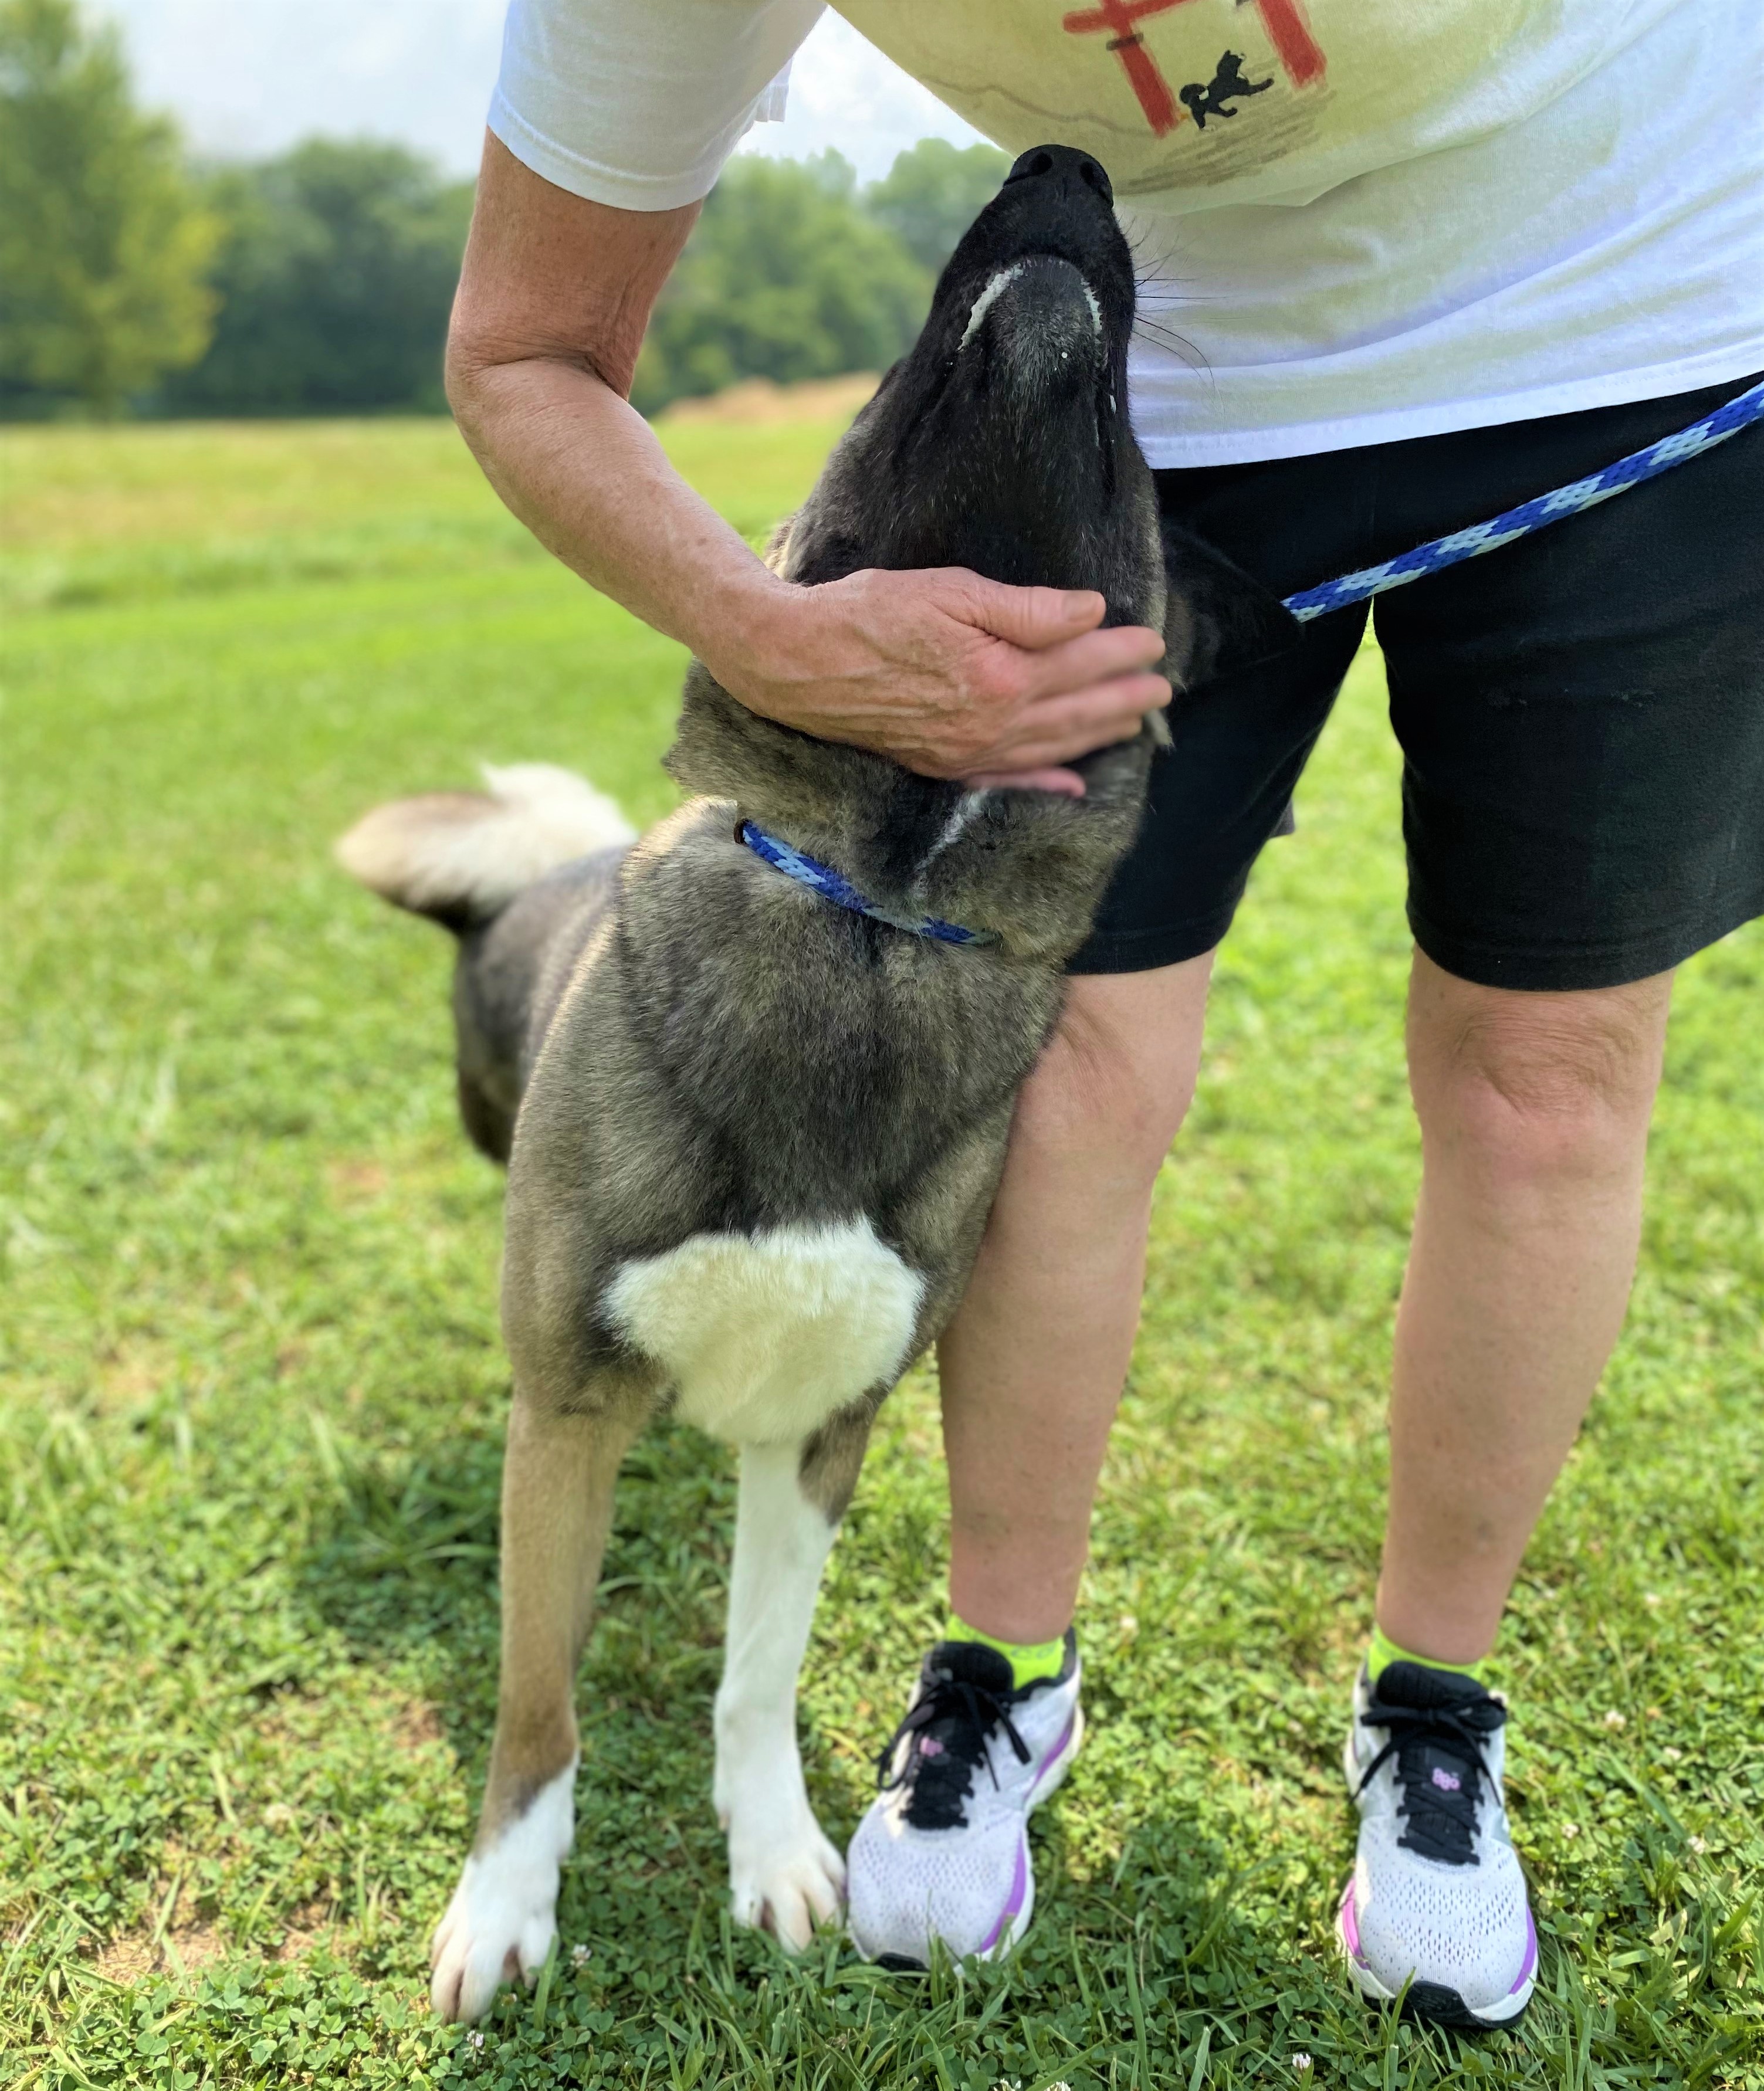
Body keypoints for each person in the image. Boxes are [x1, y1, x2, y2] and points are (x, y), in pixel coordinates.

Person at [446, 0, 1763, 2030]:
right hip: (1164, 393)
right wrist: (773, 631)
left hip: (1647, 306)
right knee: (1066, 1069)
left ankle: (1434, 1710)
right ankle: (1002, 1671)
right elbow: (527, 344)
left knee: (1545, 1079)